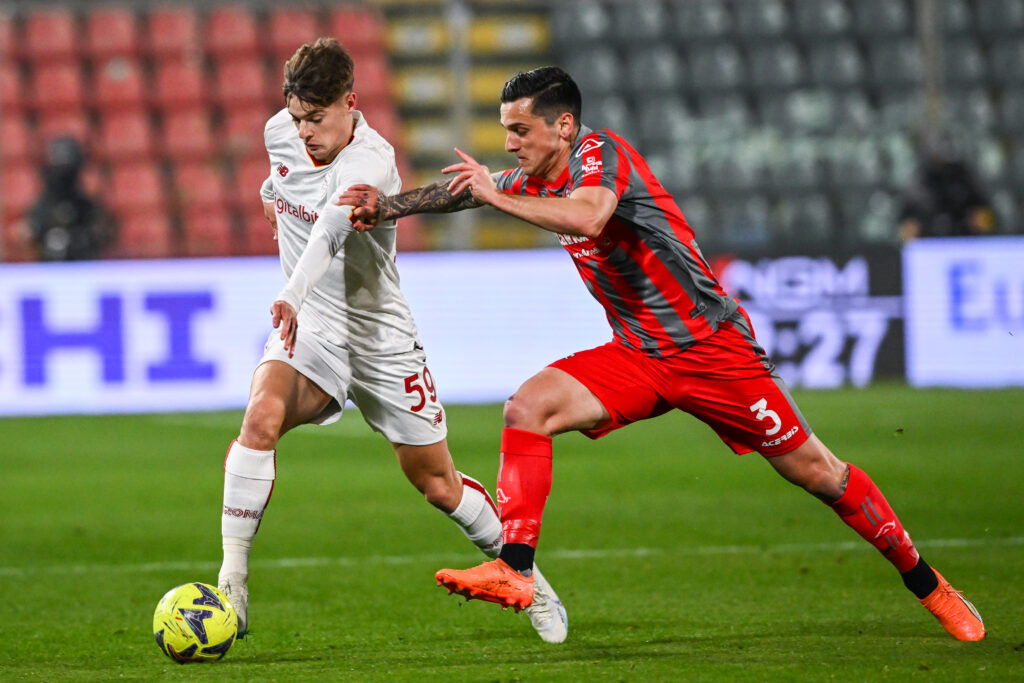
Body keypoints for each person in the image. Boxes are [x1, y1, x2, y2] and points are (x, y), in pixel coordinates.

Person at [336, 67, 985, 642]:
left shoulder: (602, 154)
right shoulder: (537, 174)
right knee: (527, 407)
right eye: (505, 131)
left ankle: (928, 583)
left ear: (563, 126)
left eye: (520, 130)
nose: (509, 144)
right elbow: (465, 192)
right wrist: (384, 206)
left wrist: (495, 193)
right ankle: (516, 567)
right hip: (640, 355)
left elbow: (589, 217)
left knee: (820, 474)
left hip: (713, 351)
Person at [217, 40, 568, 644]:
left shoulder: (371, 163)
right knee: (261, 415)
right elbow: (278, 184)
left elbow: (329, 231)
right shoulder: (281, 132)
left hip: (381, 340)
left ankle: (527, 578)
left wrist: (289, 295)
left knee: (437, 484)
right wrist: (268, 199)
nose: (303, 132)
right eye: (298, 117)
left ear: (350, 103)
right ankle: (232, 581)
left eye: (317, 118)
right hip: (314, 334)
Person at [27, 136, 116, 261]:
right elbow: (28, 234)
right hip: (49, 268)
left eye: (68, 167)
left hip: (83, 266)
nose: (64, 174)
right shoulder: (44, 206)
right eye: (59, 167)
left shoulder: (85, 206)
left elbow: (103, 234)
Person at [898, 132, 994, 242]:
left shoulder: (963, 178)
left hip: (964, 240)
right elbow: (907, 219)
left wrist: (980, 219)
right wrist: (909, 226)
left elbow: (984, 214)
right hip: (928, 242)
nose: (939, 151)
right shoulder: (921, 179)